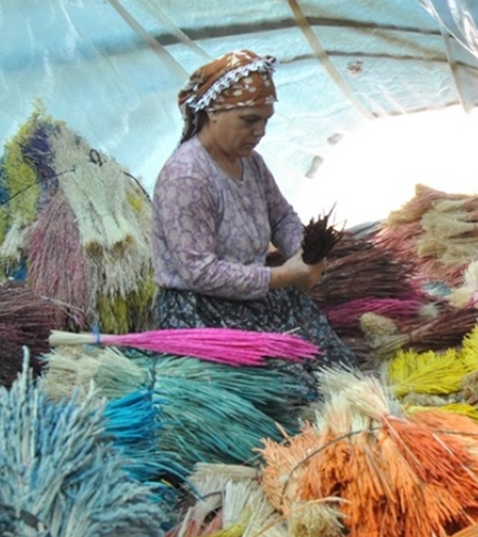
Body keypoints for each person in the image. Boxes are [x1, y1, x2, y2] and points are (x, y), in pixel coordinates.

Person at [151, 49, 357, 403]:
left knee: (336, 369)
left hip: (253, 297)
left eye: (266, 120)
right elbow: (199, 272)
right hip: (202, 310)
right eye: (250, 120)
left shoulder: (253, 163)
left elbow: (281, 216)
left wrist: (304, 253)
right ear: (213, 112)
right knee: (293, 393)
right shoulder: (187, 176)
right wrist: (284, 277)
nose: (260, 132)